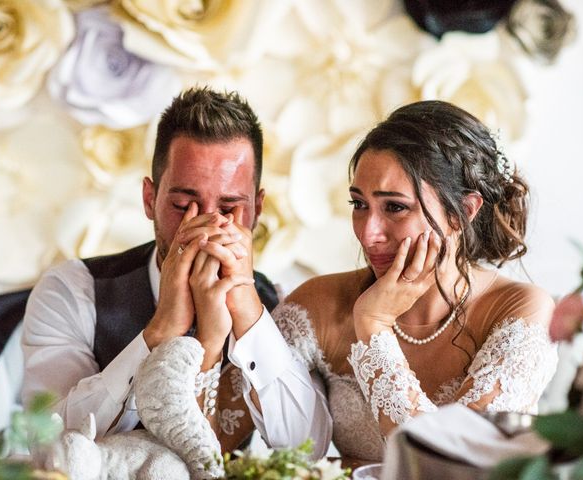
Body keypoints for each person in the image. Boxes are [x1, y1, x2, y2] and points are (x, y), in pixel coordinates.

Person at [223, 100, 559, 462]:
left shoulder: (520, 310)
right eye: (359, 205)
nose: (368, 234)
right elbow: (224, 436)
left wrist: (373, 325)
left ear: (463, 211)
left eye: (395, 207)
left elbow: (448, 465)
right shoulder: (319, 303)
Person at [21, 87, 331, 452]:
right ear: (150, 199)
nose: (205, 225)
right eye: (183, 204)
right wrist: (162, 330)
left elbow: (309, 448)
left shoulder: (279, 303)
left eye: (230, 207)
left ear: (257, 209)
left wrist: (247, 310)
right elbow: (48, 444)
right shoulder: (73, 289)